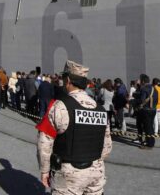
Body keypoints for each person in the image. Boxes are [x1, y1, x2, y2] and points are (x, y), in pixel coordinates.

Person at [37, 60, 112, 194]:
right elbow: (107, 147)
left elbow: (44, 143)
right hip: (96, 173)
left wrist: (44, 171)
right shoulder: (100, 110)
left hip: (68, 175)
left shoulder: (59, 106)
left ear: (68, 80)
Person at [134, 73, 157, 149]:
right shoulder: (154, 88)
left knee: (147, 128)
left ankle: (149, 144)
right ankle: (150, 141)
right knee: (150, 127)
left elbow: (142, 100)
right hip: (153, 110)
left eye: (140, 80)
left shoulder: (144, 89)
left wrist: (134, 101)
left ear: (143, 81)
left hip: (146, 110)